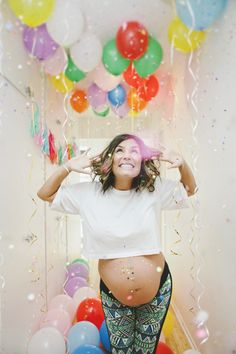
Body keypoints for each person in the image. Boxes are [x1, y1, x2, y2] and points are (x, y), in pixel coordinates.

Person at [37, 133, 197, 354]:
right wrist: (68, 167)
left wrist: (182, 165)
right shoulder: (89, 194)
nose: (127, 155)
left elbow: (190, 190)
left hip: (157, 290)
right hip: (114, 294)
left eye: (134, 151)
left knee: (145, 349)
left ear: (142, 161)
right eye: (120, 150)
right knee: (121, 351)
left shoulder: (154, 189)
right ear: (110, 159)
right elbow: (45, 194)